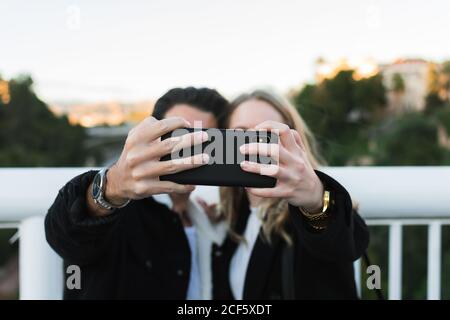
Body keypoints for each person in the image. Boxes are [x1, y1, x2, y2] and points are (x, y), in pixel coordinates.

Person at [45, 87, 229, 299]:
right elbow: (66, 235)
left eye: (204, 140)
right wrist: (112, 188)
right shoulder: (119, 209)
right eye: (178, 137)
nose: (188, 148)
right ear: (153, 138)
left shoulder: (210, 222)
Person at [210, 90, 369, 300]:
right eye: (241, 134)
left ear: (292, 142)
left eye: (267, 135)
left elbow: (344, 240)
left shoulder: (304, 212)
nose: (255, 145)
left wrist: (315, 198)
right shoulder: (234, 221)